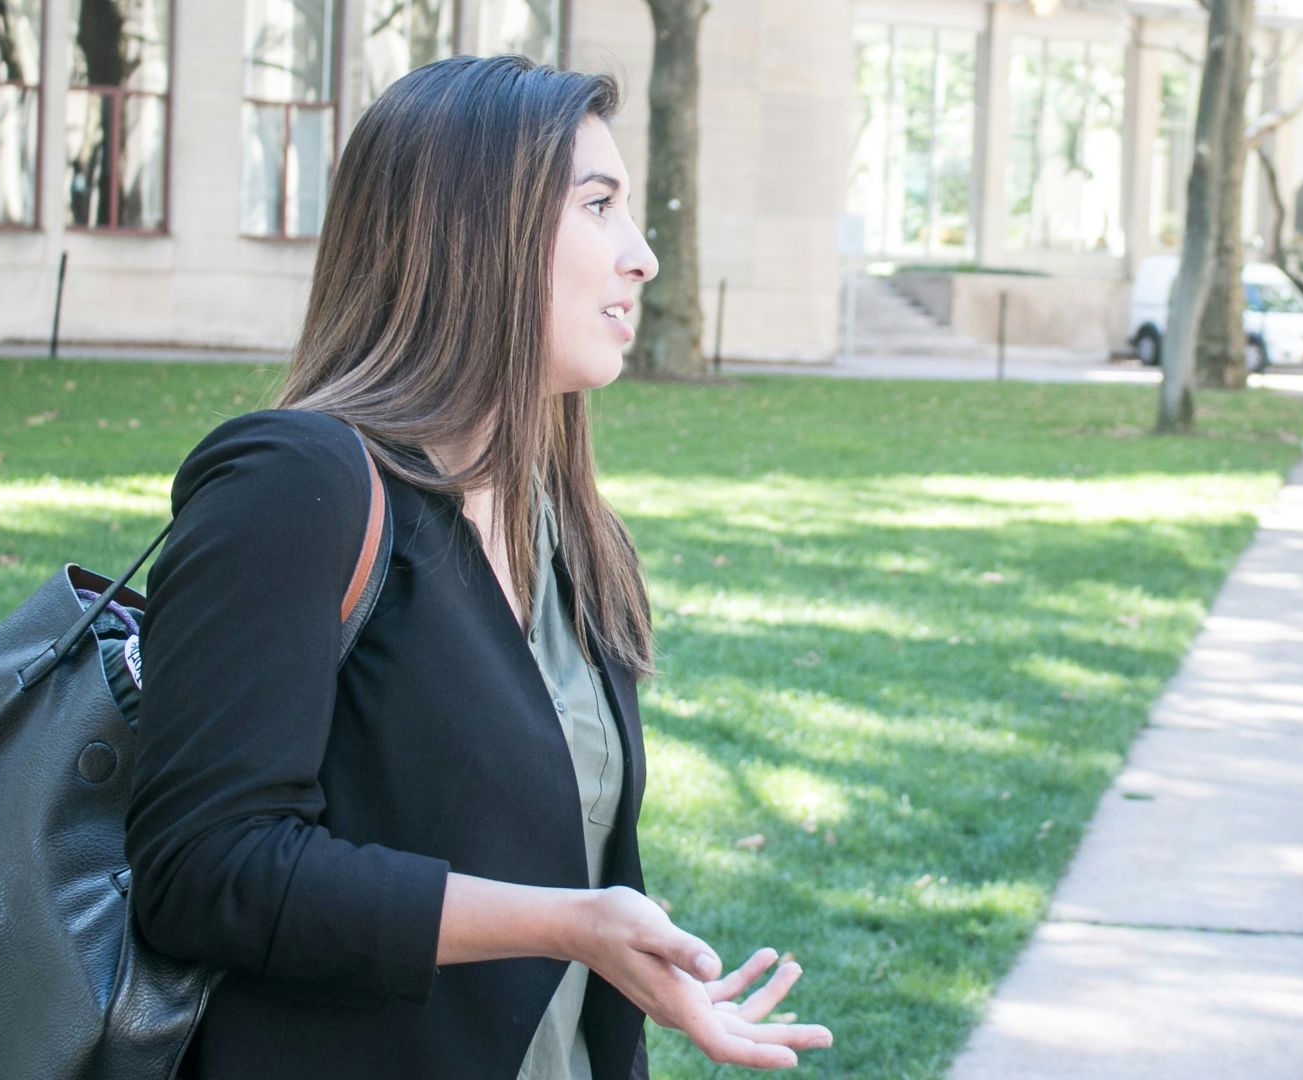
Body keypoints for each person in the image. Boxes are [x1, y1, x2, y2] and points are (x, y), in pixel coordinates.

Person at [123, 55, 833, 1079]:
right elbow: (203, 871)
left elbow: (557, 857)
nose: (643, 258)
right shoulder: (297, 481)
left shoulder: (573, 535)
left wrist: (612, 951)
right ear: (471, 231)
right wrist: (565, 924)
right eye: (598, 206)